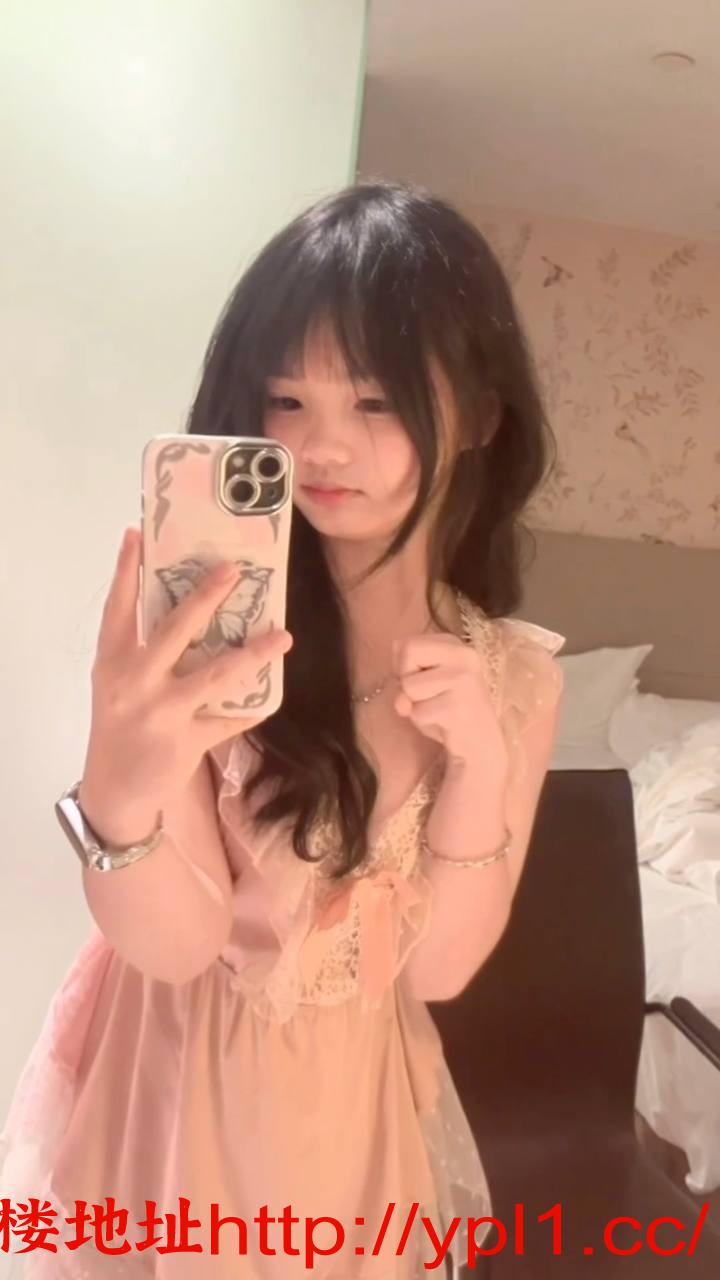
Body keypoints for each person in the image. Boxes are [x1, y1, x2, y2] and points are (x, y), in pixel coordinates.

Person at [0, 181, 565, 1279]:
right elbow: (176, 945)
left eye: (376, 402)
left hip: (349, 1124)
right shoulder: (205, 636)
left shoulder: (513, 682)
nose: (321, 445)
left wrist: (478, 764)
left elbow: (438, 970)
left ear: (481, 416)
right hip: (167, 1089)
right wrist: (121, 784)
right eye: (286, 399)